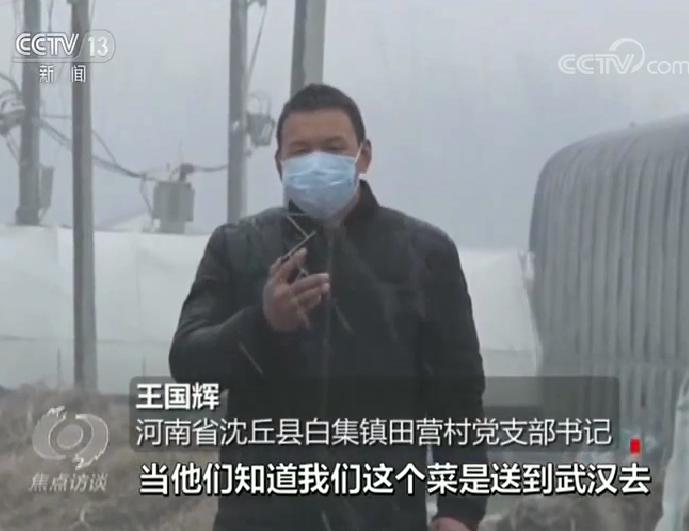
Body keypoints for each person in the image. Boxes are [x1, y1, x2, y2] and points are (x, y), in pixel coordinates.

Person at [169, 83, 487, 531]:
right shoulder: (238, 247)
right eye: (301, 151)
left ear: (364, 156)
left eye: (334, 148)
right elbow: (188, 361)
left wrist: (460, 510)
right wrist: (262, 323)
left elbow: (457, 395)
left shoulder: (424, 253)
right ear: (279, 163)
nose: (317, 162)